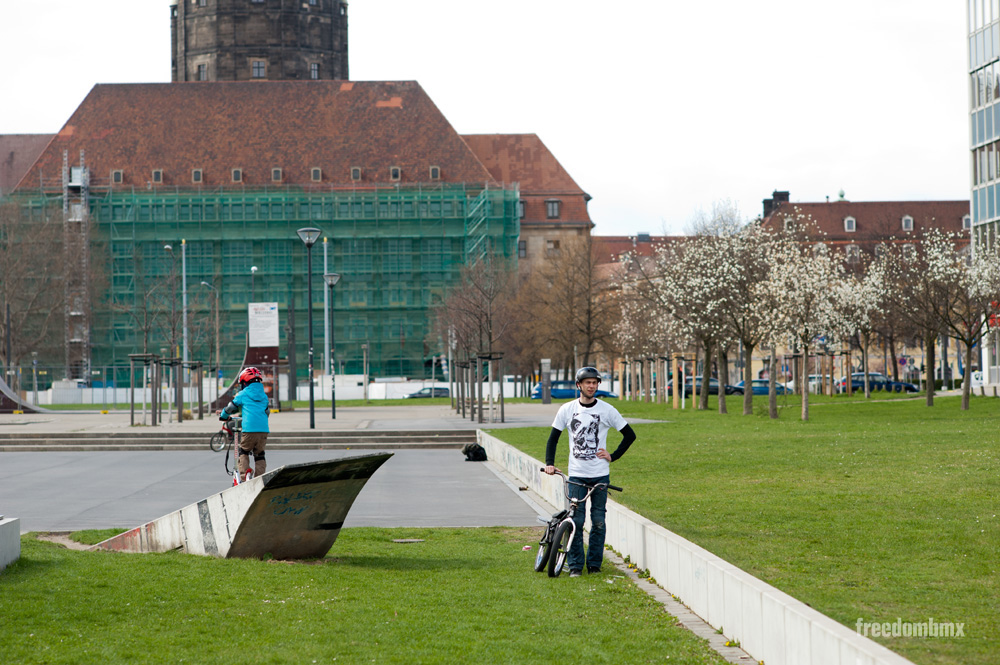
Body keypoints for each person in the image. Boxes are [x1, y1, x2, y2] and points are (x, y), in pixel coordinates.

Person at [544, 366, 635, 577]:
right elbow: (553, 438)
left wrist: (613, 455)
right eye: (587, 383)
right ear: (579, 385)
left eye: (595, 383)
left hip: (600, 475)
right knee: (576, 521)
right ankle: (576, 566)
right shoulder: (567, 409)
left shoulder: (607, 410)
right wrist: (549, 463)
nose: (592, 386)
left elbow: (630, 435)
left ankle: (594, 564)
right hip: (576, 475)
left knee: (599, 521)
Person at [220, 366, 270, 479]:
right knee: (260, 454)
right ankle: (260, 478)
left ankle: (244, 474)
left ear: (245, 382)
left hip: (249, 430)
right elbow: (267, 412)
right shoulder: (264, 396)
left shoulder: (243, 394)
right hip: (263, 430)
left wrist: (223, 416)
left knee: (244, 451)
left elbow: (230, 407)